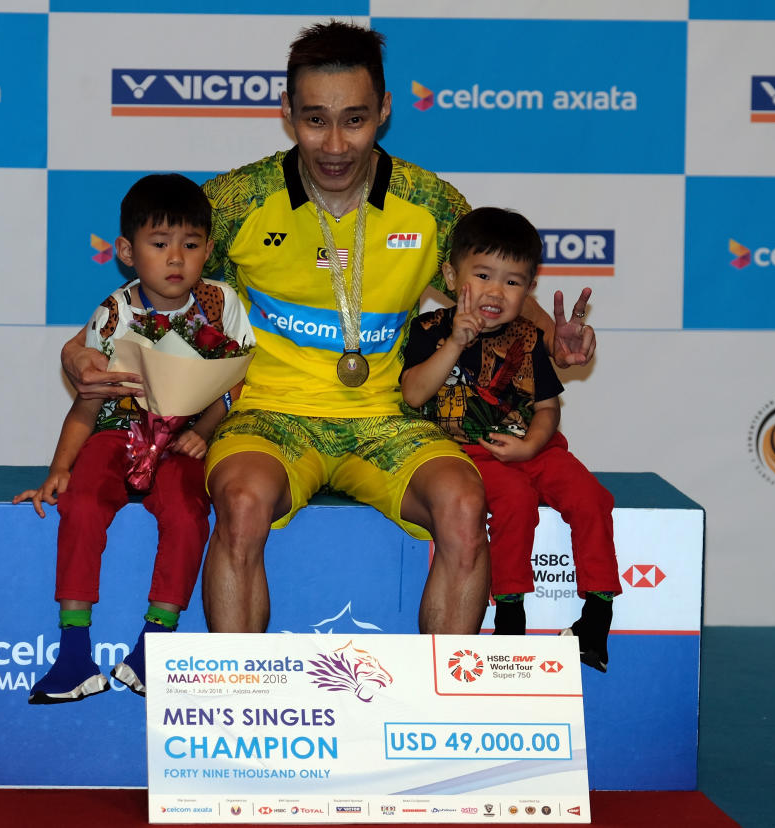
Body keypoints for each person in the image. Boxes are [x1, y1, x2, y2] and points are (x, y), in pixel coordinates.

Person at [58, 22, 598, 635]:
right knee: (239, 503)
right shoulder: (237, 200)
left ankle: (444, 706)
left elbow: (495, 284)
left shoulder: (429, 201)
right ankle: (237, 704)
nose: (335, 144)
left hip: (388, 416)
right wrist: (78, 351)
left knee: (463, 505)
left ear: (386, 111)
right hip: (268, 414)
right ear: (287, 111)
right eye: (316, 120)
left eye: (356, 120)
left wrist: (554, 340)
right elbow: (152, 290)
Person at [13, 174, 253, 703]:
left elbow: (237, 379)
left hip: (183, 439)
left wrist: (205, 431)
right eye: (159, 244)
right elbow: (88, 401)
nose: (176, 259)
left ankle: (153, 648)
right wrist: (58, 470)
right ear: (126, 251)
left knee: (190, 514)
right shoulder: (113, 313)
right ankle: (73, 653)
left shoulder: (221, 304)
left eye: (190, 246)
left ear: (208, 251)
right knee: (79, 504)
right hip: (117, 433)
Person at [401, 207, 620, 672]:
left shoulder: (528, 336)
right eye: (482, 275)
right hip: (471, 454)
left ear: (529, 289)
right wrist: (455, 344)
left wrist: (532, 446)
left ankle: (597, 616)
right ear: (450, 275)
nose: (496, 292)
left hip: (535, 447)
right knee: (515, 503)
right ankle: (510, 618)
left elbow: (547, 407)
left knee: (592, 497)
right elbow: (415, 392)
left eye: (514, 281)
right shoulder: (427, 330)